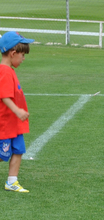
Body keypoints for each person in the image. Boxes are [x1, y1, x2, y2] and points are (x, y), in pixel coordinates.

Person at [0, 31, 34, 192]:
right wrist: (18, 111)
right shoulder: (5, 71)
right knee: (2, 155)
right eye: (22, 55)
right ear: (13, 53)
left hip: (15, 125)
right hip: (6, 124)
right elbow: (5, 96)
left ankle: (12, 181)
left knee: (18, 150)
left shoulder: (10, 70)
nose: (23, 58)